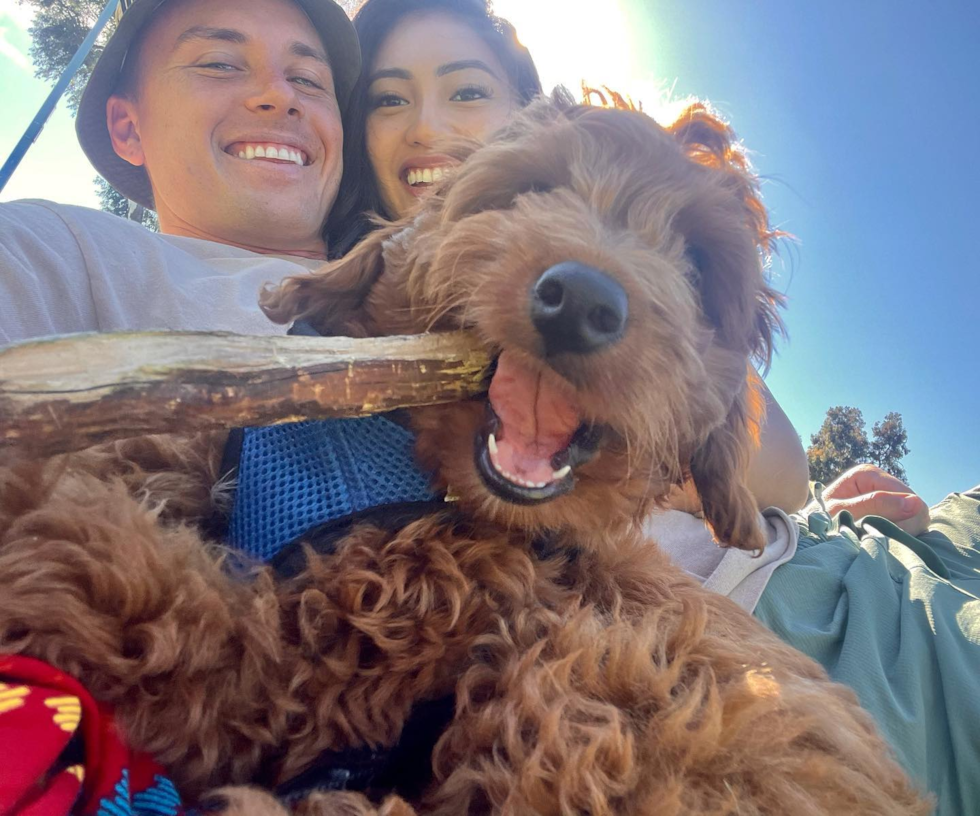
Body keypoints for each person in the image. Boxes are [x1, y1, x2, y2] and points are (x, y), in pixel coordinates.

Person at [334, 4, 978, 813]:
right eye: (389, 100)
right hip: (796, 648)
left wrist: (660, 445)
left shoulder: (639, 263)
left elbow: (765, 462)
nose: (428, 126)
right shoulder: (361, 291)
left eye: (466, 93)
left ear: (534, 112)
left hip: (839, 568)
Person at [0, 0, 359, 346]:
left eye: (308, 79)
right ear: (128, 129)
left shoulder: (400, 262)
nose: (281, 94)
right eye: (219, 64)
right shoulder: (61, 258)